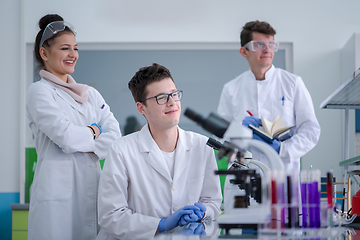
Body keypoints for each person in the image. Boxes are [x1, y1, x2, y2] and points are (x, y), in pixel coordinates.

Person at [96, 63, 222, 239]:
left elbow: (213, 202)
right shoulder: (122, 150)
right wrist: (160, 225)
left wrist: (204, 212)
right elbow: (110, 215)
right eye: (161, 98)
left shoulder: (203, 146)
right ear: (141, 108)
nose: (172, 102)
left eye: (174, 94)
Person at [26, 14, 121, 240]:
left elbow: (115, 136)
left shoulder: (90, 94)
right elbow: (65, 137)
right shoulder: (40, 92)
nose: (73, 55)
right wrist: (94, 131)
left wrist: (84, 139)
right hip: (56, 200)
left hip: (93, 192)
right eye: (65, 48)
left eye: (75, 48)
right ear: (44, 53)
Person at [217, 20, 320, 173]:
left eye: (271, 44)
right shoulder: (231, 89)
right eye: (259, 44)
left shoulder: (293, 83)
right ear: (244, 52)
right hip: (245, 174)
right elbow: (219, 136)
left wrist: (284, 149)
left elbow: (311, 129)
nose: (267, 50)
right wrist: (239, 129)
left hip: (283, 174)